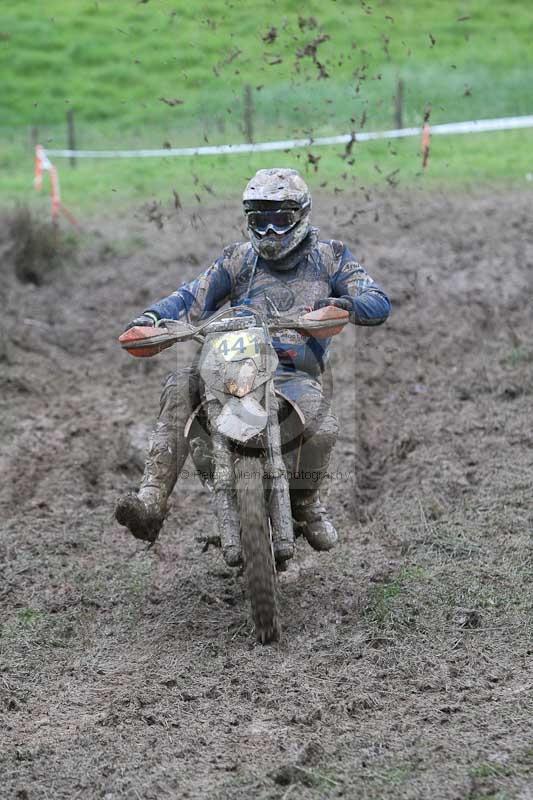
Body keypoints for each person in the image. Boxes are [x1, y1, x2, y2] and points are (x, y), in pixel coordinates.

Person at [115, 167, 390, 560]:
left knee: (323, 428)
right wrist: (152, 319)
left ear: (301, 215)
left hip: (291, 375)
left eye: (281, 220)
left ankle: (307, 502)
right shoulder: (237, 259)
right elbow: (190, 296)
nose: (270, 232)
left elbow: (377, 300)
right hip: (229, 366)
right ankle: (151, 501)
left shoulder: (331, 257)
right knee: (179, 385)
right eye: (260, 221)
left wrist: (345, 305)